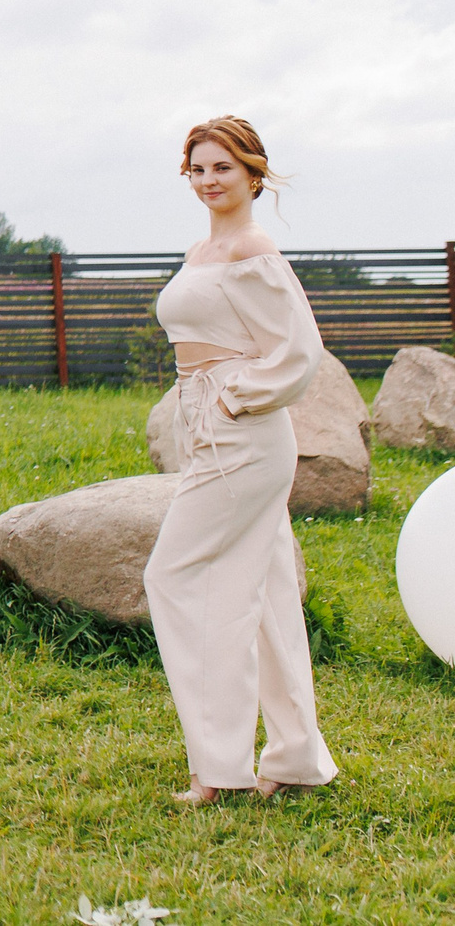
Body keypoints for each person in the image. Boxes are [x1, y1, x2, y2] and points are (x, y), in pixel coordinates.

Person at [144, 116, 337, 804]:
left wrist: (235, 399)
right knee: (265, 598)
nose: (207, 180)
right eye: (196, 169)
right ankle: (293, 760)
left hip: (243, 434)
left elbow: (299, 348)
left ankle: (218, 769)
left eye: (221, 167)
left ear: (253, 172)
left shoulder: (252, 248)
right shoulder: (203, 250)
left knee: (176, 577)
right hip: (212, 428)